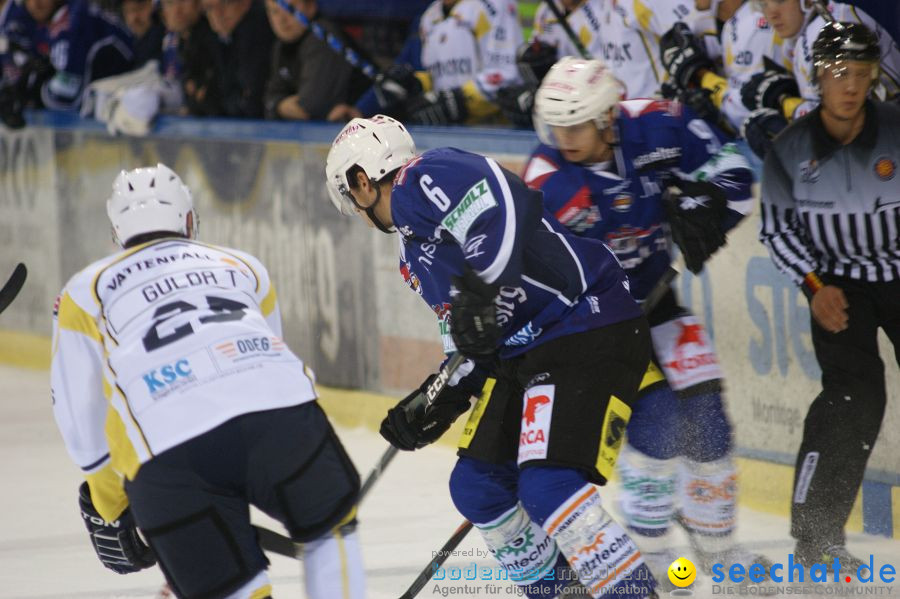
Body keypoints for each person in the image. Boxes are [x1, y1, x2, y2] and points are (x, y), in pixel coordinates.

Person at [325, 115, 658, 599]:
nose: (356, 211)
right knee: (477, 488)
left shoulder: (421, 177)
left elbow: (505, 203)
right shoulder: (411, 254)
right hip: (525, 353)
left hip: (582, 324)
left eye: (351, 199)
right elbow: (469, 340)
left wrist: (484, 290)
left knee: (549, 487)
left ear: (361, 181)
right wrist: (437, 396)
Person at [50, 164, 365, 598]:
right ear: (190, 221)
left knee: (231, 585)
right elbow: (271, 360)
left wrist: (114, 506)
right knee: (331, 532)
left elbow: (80, 418)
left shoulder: (86, 289)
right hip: (284, 421)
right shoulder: (244, 266)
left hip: (169, 449)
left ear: (115, 233)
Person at [525, 56, 768, 587]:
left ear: (609, 117)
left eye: (576, 125)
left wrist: (710, 204)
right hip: (592, 329)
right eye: (555, 126)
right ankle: (651, 556)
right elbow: (537, 279)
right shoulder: (549, 181)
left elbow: (738, 175)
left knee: (708, 415)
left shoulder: (657, 124)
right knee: (656, 428)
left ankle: (719, 548)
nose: (562, 138)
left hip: (657, 304)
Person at [758, 22, 900, 569]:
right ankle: (816, 536)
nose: (851, 86)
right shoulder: (791, 149)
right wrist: (813, 287)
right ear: (818, 76)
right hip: (835, 283)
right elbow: (776, 229)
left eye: (863, 74)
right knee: (854, 400)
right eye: (841, 73)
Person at [329, 0, 523, 126]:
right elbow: (434, 76)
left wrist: (460, 100)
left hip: (493, 130)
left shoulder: (495, 6)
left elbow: (507, 73)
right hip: (449, 134)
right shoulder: (430, 17)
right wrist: (415, 83)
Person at [658, 0, 793, 156]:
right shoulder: (733, 21)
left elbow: (752, 103)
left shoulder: (755, 22)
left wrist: (702, 78)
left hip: (775, 146)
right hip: (755, 142)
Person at [746, 0, 899, 121]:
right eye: (763, 4)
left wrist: (783, 102)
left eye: (780, 1)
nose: (772, 14)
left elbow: (844, 119)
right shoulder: (810, 31)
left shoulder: (832, 27)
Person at [0, 0, 133, 119]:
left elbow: (65, 97)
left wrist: (29, 95)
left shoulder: (71, 22)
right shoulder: (62, 16)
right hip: (113, 105)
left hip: (129, 101)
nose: (36, 3)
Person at [262, 0, 368, 120]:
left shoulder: (324, 37)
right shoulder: (282, 45)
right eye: (274, 11)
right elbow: (268, 99)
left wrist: (279, 106)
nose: (282, 19)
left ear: (311, 6)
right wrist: (279, 106)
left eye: (290, 9)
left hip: (369, 130)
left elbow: (311, 108)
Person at [193, 0, 273, 117]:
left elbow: (251, 102)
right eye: (209, 8)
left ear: (246, 3)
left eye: (225, 3)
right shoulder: (214, 37)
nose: (218, 14)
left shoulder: (259, 30)